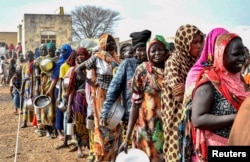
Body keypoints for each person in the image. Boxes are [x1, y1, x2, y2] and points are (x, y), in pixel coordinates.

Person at [191, 33, 249, 161]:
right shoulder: (210, 83)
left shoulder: (240, 79)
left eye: (243, 53)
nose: (242, 58)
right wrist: (238, 118)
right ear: (221, 55)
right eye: (236, 54)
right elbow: (197, 119)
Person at [100, 29, 151, 158]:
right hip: (130, 118)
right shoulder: (127, 64)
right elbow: (113, 90)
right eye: (138, 50)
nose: (141, 53)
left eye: (144, 49)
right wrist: (105, 113)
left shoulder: (153, 66)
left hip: (151, 119)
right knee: (131, 153)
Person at [118, 35, 169, 162]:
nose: (157, 53)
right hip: (146, 131)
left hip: (168, 129)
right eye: (153, 50)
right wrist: (127, 138)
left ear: (166, 51)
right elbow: (135, 105)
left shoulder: (172, 69)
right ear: (148, 53)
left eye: (160, 49)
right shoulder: (142, 71)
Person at [161, 24, 204, 162]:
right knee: (176, 154)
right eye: (194, 42)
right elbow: (180, 96)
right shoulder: (173, 63)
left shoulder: (196, 62)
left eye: (200, 41)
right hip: (176, 118)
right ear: (184, 43)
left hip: (191, 119)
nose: (199, 46)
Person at [75, 33, 121, 162]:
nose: (111, 44)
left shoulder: (117, 59)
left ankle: (113, 156)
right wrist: (90, 82)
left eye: (112, 42)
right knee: (103, 125)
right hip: (102, 95)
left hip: (115, 96)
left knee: (115, 125)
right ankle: (102, 157)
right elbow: (78, 70)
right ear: (102, 44)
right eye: (108, 42)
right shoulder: (96, 58)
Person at [65, 47, 91, 158]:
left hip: (90, 99)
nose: (80, 57)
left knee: (90, 123)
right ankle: (80, 148)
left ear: (86, 56)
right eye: (78, 55)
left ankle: (89, 147)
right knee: (79, 124)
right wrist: (68, 106)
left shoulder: (91, 69)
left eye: (82, 55)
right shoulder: (74, 70)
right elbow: (71, 89)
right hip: (78, 99)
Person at [20, 51, 35, 128]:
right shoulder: (24, 66)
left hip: (35, 85)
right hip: (26, 86)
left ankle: (35, 122)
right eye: (27, 56)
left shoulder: (35, 64)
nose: (29, 58)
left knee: (34, 103)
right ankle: (24, 121)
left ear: (33, 56)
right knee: (26, 104)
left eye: (30, 56)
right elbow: (23, 78)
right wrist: (22, 89)